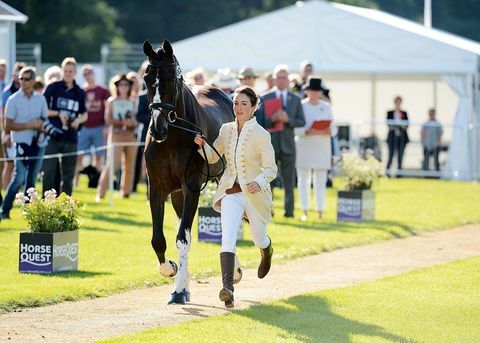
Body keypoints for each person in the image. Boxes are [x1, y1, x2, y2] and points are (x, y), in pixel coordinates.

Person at [194, 86, 277, 308]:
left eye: (244, 104)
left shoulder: (261, 134)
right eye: (236, 103)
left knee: (258, 238)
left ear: (253, 108)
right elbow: (213, 158)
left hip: (255, 195)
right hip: (230, 192)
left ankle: (266, 249)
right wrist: (203, 146)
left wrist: (258, 183)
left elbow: (271, 169)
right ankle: (227, 289)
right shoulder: (226, 129)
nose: (238, 108)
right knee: (227, 238)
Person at [257, 64, 305, 218]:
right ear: (274, 79)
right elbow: (260, 122)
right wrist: (273, 119)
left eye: (285, 77)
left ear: (288, 79)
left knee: (289, 182)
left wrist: (288, 120)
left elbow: (301, 121)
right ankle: (268, 211)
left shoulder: (296, 99)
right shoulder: (265, 97)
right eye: (279, 77)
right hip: (270, 145)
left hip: (289, 145)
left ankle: (289, 212)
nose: (282, 80)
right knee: (268, 181)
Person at [1, 66, 48, 219]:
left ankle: (29, 213)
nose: (23, 82)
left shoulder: (40, 99)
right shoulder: (12, 99)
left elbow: (44, 121)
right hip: (21, 144)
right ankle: (5, 210)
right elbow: (7, 126)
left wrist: (40, 127)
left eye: (27, 79)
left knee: (32, 180)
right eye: (21, 78)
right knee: (19, 178)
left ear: (33, 81)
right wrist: (29, 125)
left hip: (38, 144)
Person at [42, 57, 87, 196]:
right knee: (48, 173)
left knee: (68, 177)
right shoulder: (53, 87)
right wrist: (58, 113)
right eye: (66, 71)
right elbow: (42, 109)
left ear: (75, 72)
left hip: (71, 138)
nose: (68, 73)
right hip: (53, 136)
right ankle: (46, 205)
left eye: (71, 71)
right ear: (62, 71)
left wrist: (78, 121)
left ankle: (65, 207)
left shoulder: (79, 91)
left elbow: (85, 114)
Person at [294, 77, 336, 221]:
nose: (314, 93)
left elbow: (334, 129)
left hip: (321, 148)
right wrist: (307, 131)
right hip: (304, 147)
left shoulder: (327, 107)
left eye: (316, 91)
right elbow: (295, 128)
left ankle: (320, 211)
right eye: (311, 90)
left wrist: (326, 130)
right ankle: (304, 210)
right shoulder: (301, 106)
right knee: (303, 180)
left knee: (320, 181)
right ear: (307, 91)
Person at [96, 74, 138, 200]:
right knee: (112, 164)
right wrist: (122, 123)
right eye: (121, 84)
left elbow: (137, 120)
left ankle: (126, 192)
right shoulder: (111, 101)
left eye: (126, 84)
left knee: (130, 165)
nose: (124, 87)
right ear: (116, 86)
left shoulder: (133, 101)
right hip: (116, 135)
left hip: (131, 135)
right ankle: (101, 192)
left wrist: (132, 123)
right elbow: (108, 120)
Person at [75, 64, 110, 185]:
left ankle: (97, 182)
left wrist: (106, 126)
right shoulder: (81, 91)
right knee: (79, 155)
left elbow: (107, 108)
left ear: (94, 74)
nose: (87, 75)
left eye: (89, 72)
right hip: (84, 127)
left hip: (99, 127)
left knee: (99, 156)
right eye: (85, 73)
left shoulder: (103, 90)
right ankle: (76, 182)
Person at [2, 62, 26, 190]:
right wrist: (7, 135)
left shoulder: (25, 90)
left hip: (22, 132)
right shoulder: (8, 91)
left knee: (21, 164)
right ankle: (7, 192)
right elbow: (4, 115)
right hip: (9, 132)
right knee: (10, 164)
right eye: (18, 74)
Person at [386, 96, 409, 175]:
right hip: (392, 137)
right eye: (397, 102)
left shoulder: (404, 113)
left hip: (401, 137)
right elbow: (388, 124)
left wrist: (400, 125)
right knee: (391, 155)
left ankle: (399, 173)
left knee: (400, 156)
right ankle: (387, 173)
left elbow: (406, 125)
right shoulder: (390, 112)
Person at [421, 108, 443, 172]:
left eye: (432, 113)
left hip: (435, 145)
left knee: (436, 160)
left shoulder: (438, 124)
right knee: (426, 160)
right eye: (430, 113)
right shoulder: (425, 123)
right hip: (427, 145)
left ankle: (437, 173)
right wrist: (423, 142)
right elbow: (422, 134)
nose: (431, 115)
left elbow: (440, 133)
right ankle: (426, 173)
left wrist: (438, 142)